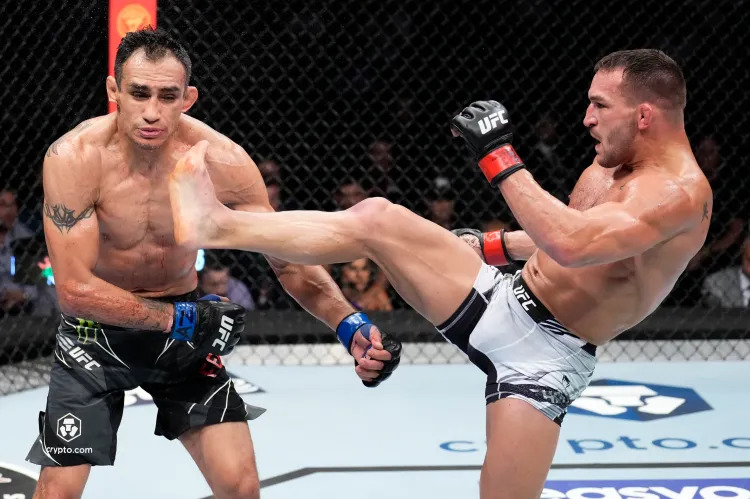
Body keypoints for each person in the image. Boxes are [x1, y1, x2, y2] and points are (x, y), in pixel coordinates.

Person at [169, 49, 711, 498]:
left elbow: (573, 244)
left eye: (600, 105)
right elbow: (577, 233)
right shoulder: (613, 159)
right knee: (377, 218)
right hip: (504, 297)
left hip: (547, 357)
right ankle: (218, 224)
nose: (587, 118)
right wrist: (491, 246)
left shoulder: (678, 195)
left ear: (644, 115)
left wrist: (498, 154)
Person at [27, 28, 400, 499]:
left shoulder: (221, 161)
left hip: (182, 329)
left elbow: (285, 259)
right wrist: (180, 319)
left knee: (240, 486)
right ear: (113, 90)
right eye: (139, 93)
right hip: (94, 335)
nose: (151, 111)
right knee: (57, 492)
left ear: (188, 98)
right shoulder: (75, 158)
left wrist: (349, 324)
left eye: (167, 96)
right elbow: (74, 290)